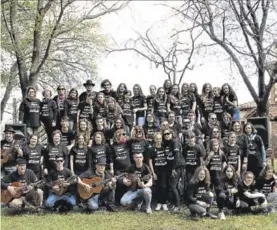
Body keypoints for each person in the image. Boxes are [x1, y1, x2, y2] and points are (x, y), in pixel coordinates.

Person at [148, 132, 169, 211]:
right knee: (158, 187)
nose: (158, 140)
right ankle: (159, 203)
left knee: (164, 186)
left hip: (164, 170)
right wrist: (153, 173)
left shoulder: (164, 147)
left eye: (160, 139)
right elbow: (150, 161)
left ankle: (164, 203)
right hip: (156, 170)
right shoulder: (151, 149)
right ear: (154, 139)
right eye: (157, 139)